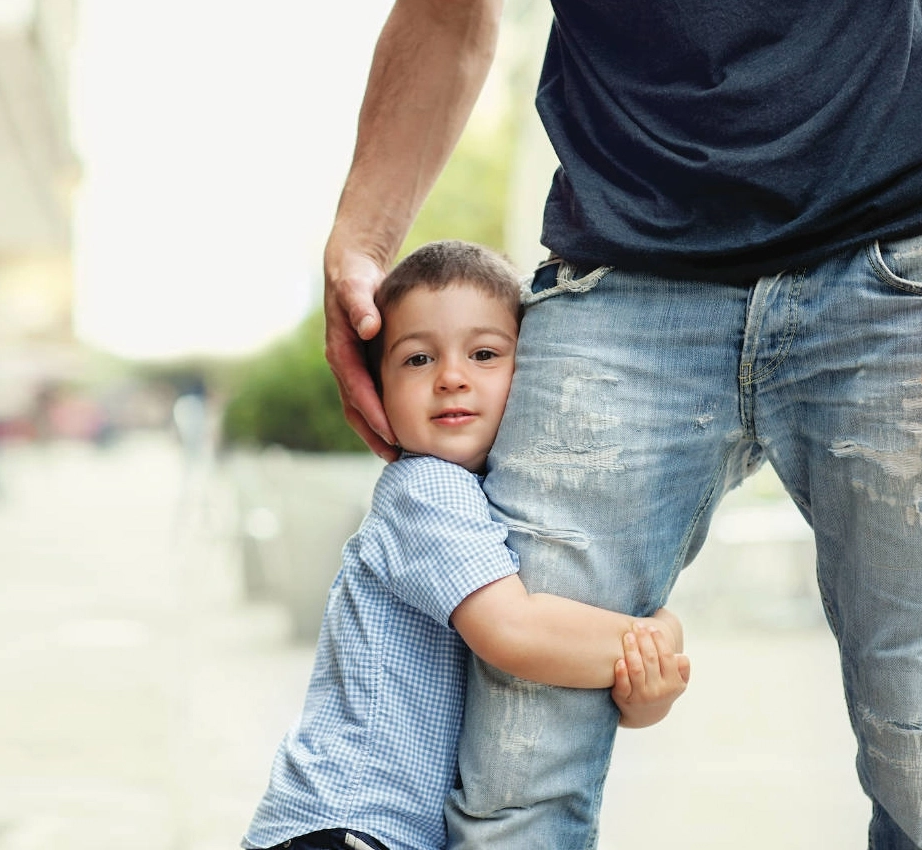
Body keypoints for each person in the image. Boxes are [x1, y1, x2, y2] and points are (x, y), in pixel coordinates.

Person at [321, 1, 922, 847]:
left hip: (896, 256)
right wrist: (360, 239)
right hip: (619, 271)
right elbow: (444, 13)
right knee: (516, 774)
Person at [243, 240, 692, 850]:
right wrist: (659, 635)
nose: (452, 377)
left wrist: (647, 691)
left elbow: (586, 688)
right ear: (374, 389)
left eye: (484, 354)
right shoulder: (427, 489)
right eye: (418, 359)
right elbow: (515, 634)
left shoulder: (492, 501)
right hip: (347, 823)